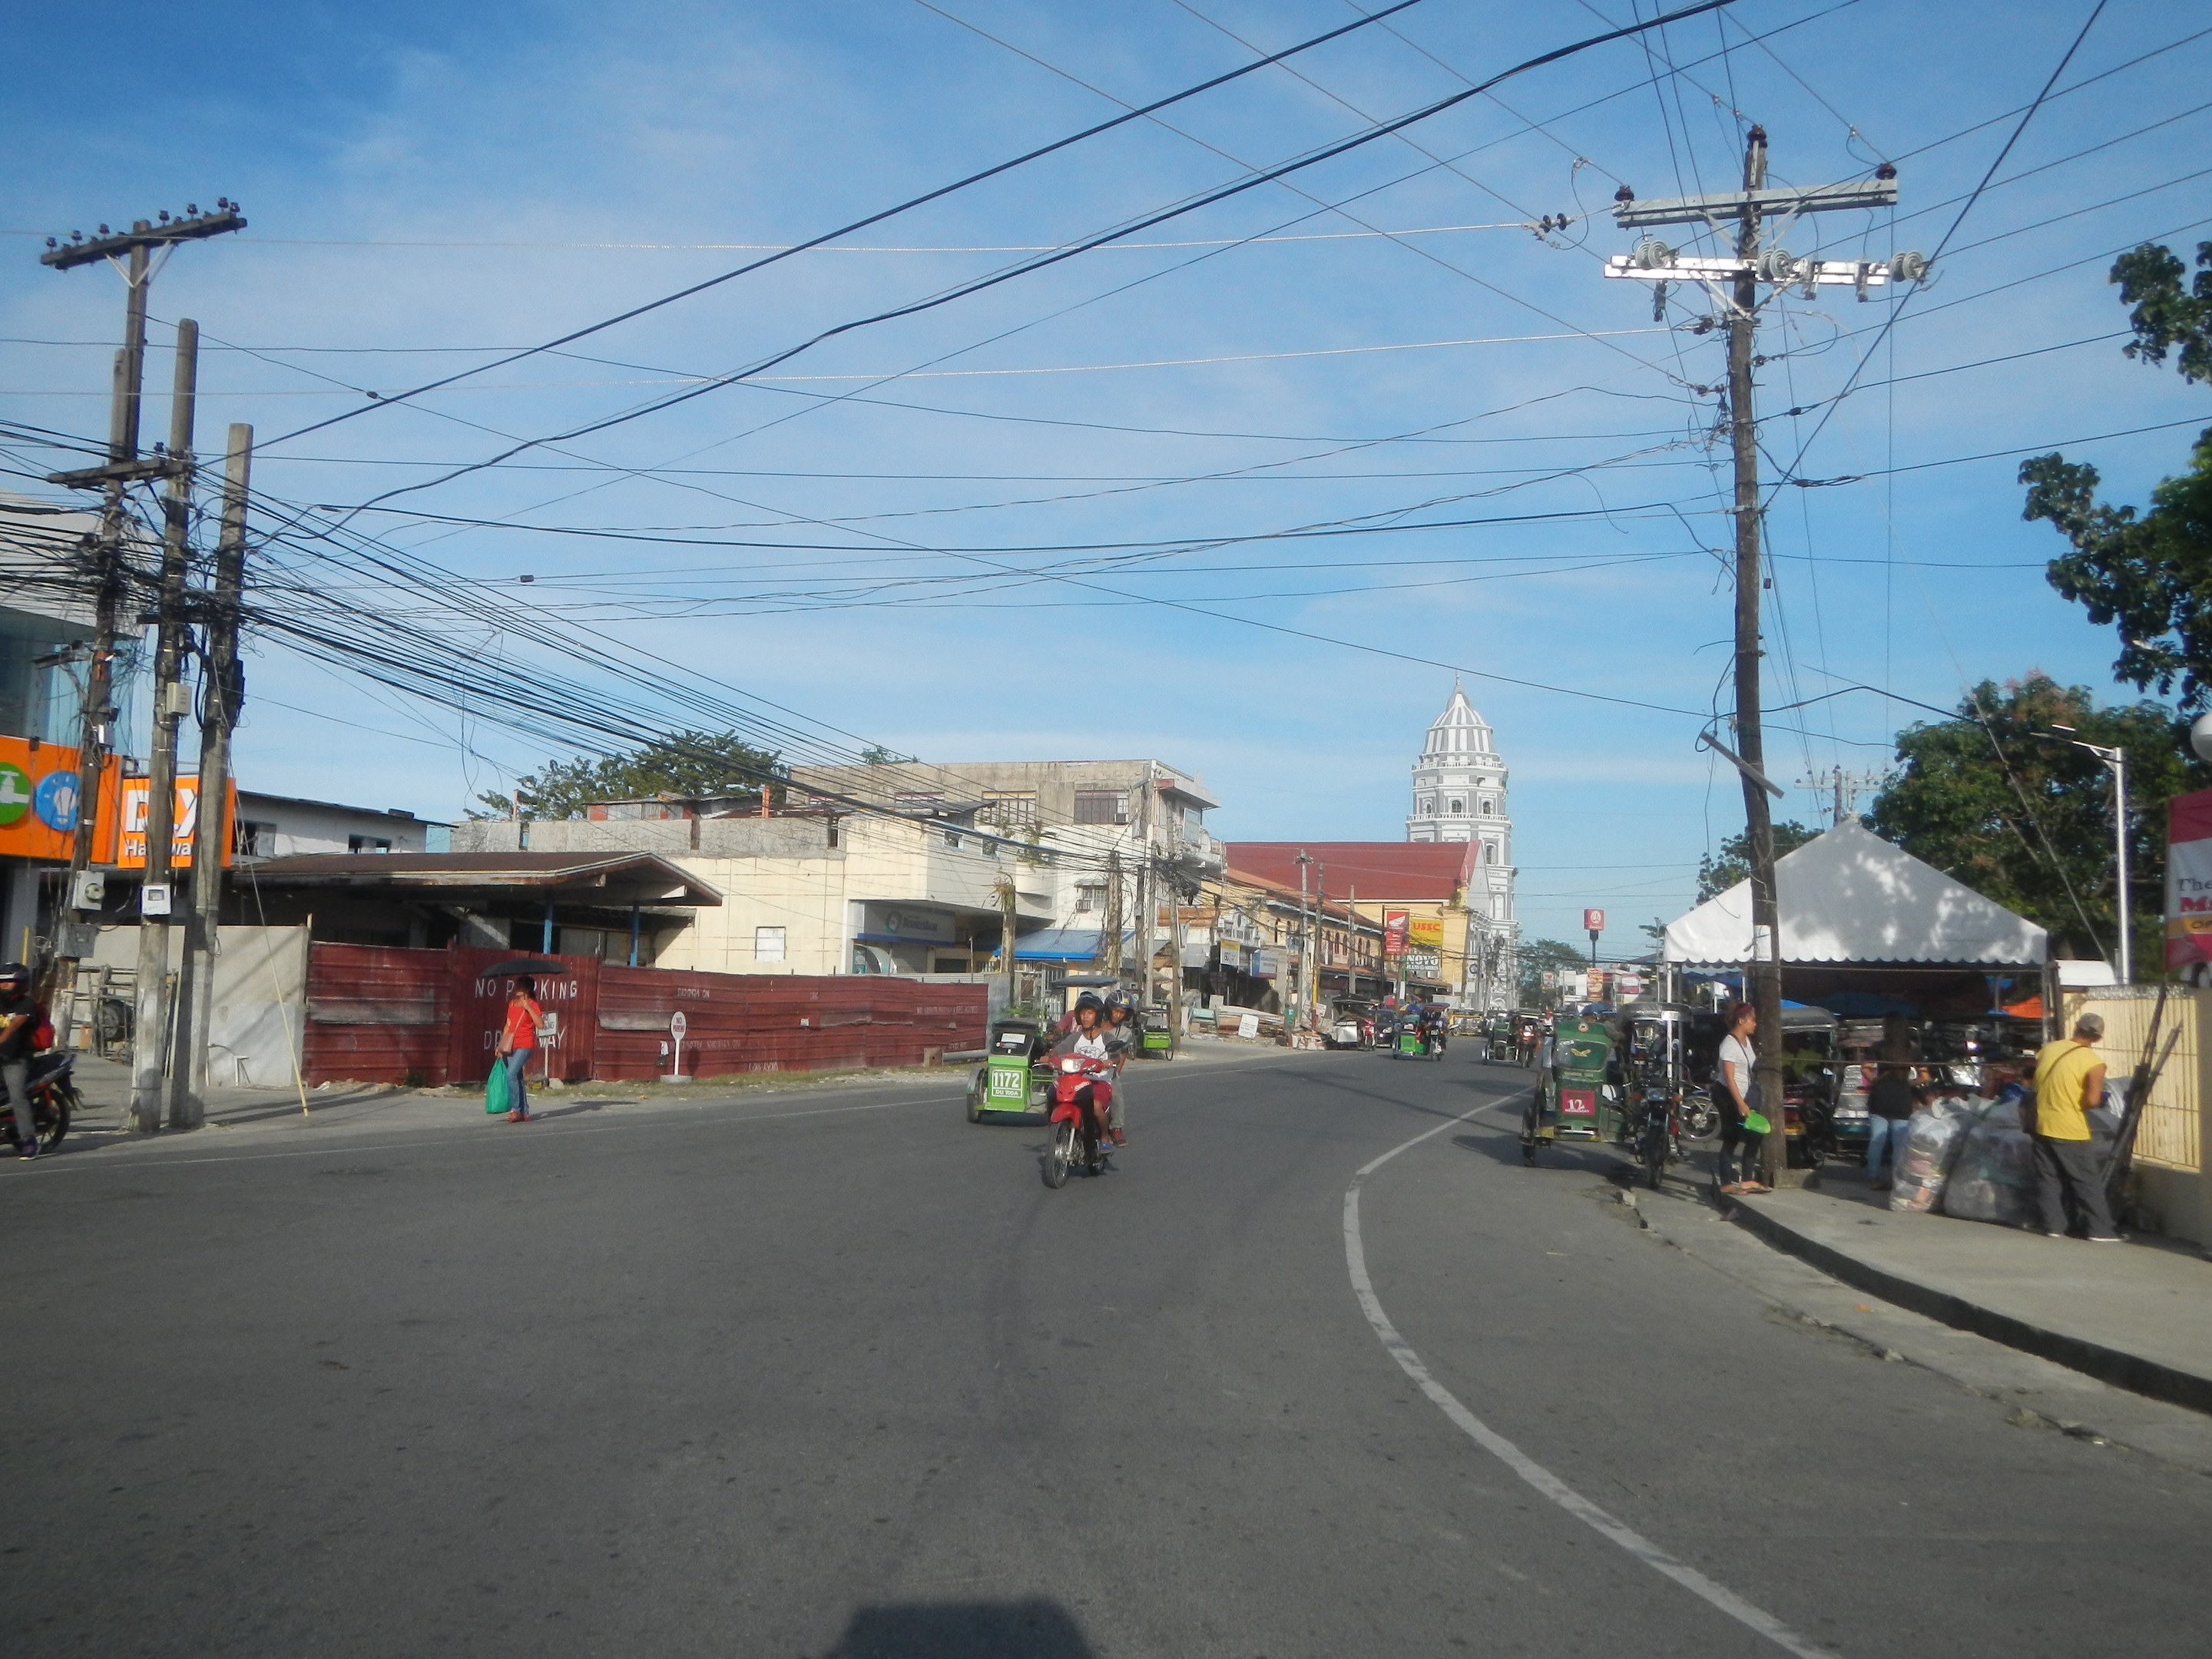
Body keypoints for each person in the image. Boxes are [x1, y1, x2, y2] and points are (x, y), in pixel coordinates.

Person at [2030, 1012, 2122, 1242]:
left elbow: (2039, 1079)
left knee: (2049, 1177)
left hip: (2041, 1121)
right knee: (2086, 1180)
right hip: (2070, 1127)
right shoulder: (2094, 1063)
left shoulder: (2049, 1049)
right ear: (2097, 1038)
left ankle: (2054, 1226)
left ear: (2076, 1028)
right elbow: (2092, 1100)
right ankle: (2100, 1230)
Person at [1716, 1000, 1768, 1196]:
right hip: (1728, 1096)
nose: (1755, 1024)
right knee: (1731, 1138)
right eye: (1752, 1020)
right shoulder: (1729, 1044)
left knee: (1755, 1134)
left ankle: (1747, 1179)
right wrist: (1740, 1103)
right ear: (1741, 1020)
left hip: (1745, 1095)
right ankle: (1726, 1183)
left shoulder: (1746, 1042)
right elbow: (1729, 1077)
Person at [1049, 994, 1115, 1145]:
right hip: (1076, 1081)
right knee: (1053, 1095)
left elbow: (1116, 1055)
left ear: (1098, 1016)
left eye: (1089, 1013)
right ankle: (1055, 1139)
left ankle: (1105, 1136)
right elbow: (1060, 1049)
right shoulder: (1075, 1037)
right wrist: (1050, 1055)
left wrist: (1110, 1061)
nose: (1085, 1017)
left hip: (1099, 1081)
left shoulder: (1106, 1037)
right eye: (1082, 1013)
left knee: (1095, 1105)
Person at [0, 962, 41, 1161]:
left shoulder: (26, 1004)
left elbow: (14, 1026)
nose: (4, 984)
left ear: (20, 983)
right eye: (1, 981)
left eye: (9, 981)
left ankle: (28, 1140)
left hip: (15, 1059)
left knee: (17, 1095)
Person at [495, 976, 543, 1124]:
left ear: (527, 990)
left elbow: (540, 1025)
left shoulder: (532, 1005)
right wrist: (501, 1045)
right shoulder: (512, 1004)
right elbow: (508, 1025)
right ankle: (524, 1111)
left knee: (510, 1075)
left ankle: (515, 1109)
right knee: (517, 1077)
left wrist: (528, 1008)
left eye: (520, 988)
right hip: (511, 1044)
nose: (517, 990)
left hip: (525, 1044)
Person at [1863, 1061, 1916, 1190]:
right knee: (1899, 1144)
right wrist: (1908, 1084)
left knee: (1876, 1141)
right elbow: (1925, 1076)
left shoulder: (1880, 1050)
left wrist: (1875, 1081)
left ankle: (1874, 1179)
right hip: (1902, 1098)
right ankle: (1896, 1181)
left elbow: (1865, 1069)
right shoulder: (1911, 1051)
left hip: (1879, 1096)